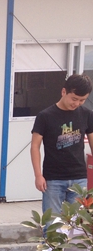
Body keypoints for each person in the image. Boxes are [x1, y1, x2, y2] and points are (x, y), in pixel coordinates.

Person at [30, 74, 93, 217]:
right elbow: (35, 146)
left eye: (82, 100)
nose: (76, 103)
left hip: (79, 178)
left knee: (77, 224)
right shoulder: (45, 116)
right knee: (51, 223)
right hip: (53, 179)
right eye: (74, 99)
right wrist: (38, 175)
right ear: (64, 92)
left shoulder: (87, 114)